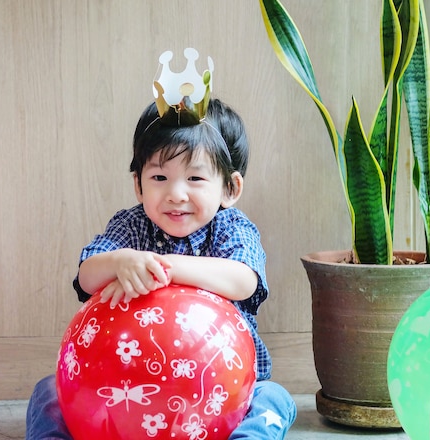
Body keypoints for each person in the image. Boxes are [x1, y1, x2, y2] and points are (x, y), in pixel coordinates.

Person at [26, 51, 297, 439]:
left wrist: (160, 267)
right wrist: (121, 262)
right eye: (158, 177)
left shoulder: (232, 228)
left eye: (196, 179)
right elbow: (87, 276)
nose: (176, 194)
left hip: (225, 388)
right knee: (47, 391)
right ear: (138, 185)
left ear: (230, 188)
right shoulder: (132, 227)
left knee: (274, 397)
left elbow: (243, 280)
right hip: (121, 385)